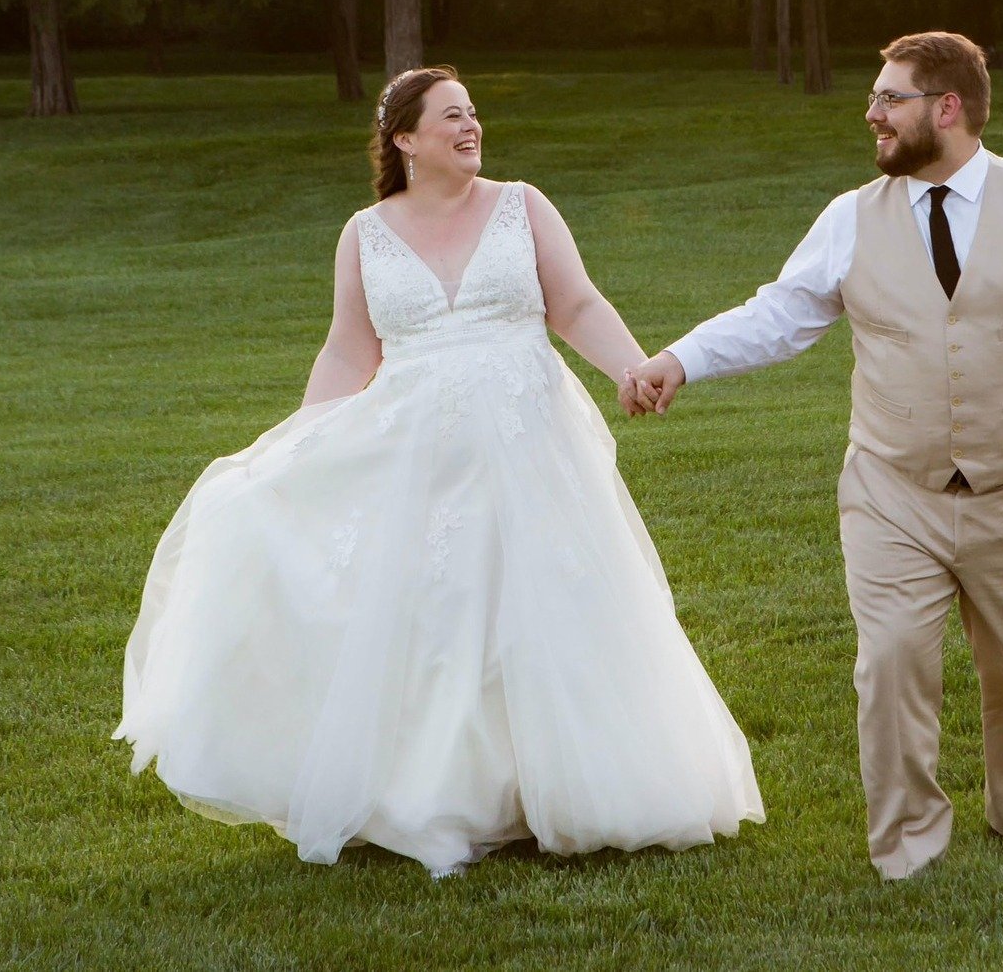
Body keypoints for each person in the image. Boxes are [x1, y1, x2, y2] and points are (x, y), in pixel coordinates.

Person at [115, 66, 762, 874]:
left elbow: (576, 304)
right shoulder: (365, 231)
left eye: (474, 114)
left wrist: (632, 368)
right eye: (450, 116)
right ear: (404, 139)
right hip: (417, 448)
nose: (470, 127)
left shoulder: (522, 205)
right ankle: (440, 795)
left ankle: (572, 788)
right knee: (436, 612)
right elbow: (350, 347)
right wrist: (300, 439)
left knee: (545, 604)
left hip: (529, 437)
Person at [622, 30, 1003, 880]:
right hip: (890, 490)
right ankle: (907, 845)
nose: (871, 114)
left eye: (888, 98)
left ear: (946, 108)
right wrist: (679, 357)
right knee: (892, 662)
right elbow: (777, 315)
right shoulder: (849, 218)